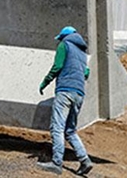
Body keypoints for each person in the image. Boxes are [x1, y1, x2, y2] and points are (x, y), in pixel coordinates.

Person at [37, 26, 93, 176]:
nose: (59, 41)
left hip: (65, 91)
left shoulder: (64, 45)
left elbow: (57, 66)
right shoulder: (82, 52)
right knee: (70, 130)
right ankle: (85, 160)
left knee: (57, 127)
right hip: (79, 94)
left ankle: (56, 163)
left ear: (64, 37)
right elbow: (86, 73)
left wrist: (45, 82)